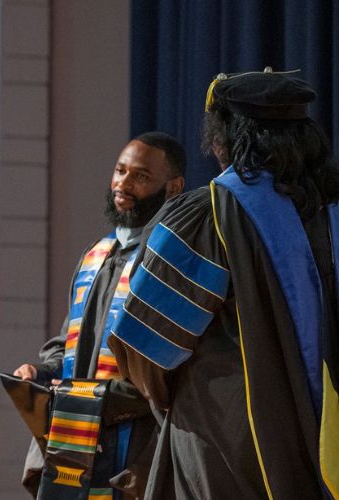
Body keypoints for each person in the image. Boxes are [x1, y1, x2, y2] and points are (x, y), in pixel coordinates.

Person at [109, 69, 339, 499]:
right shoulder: (330, 215)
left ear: (226, 139)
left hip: (226, 438)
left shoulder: (208, 214)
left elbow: (142, 347)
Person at [11, 133, 185, 498]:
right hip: (78, 436)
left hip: (135, 444)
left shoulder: (170, 262)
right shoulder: (98, 255)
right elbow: (68, 344)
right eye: (120, 171)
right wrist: (41, 374)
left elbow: (170, 370)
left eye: (140, 176)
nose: (123, 183)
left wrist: (95, 396)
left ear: (173, 188)